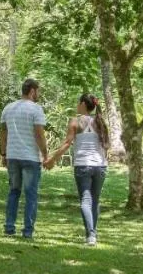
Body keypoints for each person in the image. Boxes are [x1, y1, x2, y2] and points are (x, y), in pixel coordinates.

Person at [45, 93, 108, 245]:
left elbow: (67, 143)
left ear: (83, 104)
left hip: (83, 165)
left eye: (78, 102)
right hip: (100, 166)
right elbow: (107, 145)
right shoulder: (100, 122)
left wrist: (52, 159)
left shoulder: (75, 121)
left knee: (86, 200)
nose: (76, 105)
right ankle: (93, 234)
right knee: (95, 200)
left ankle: (91, 235)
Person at [0, 78, 48, 238]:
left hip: (12, 156)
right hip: (30, 157)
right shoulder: (36, 109)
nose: (38, 94)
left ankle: (9, 227)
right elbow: (39, 134)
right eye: (38, 91)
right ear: (32, 91)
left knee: (14, 191)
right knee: (31, 194)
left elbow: (3, 133)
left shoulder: (8, 108)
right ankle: (27, 231)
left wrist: (3, 154)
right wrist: (45, 154)